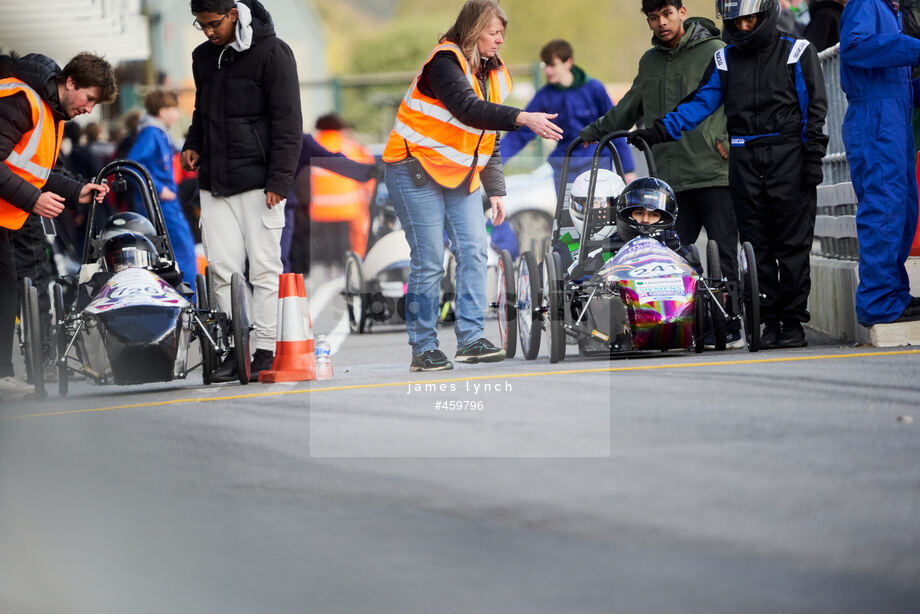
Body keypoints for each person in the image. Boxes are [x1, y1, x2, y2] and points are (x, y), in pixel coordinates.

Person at [630, 0, 828, 349]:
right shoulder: (725, 60)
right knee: (756, 246)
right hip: (744, 158)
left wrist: (813, 156)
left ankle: (793, 323)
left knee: (793, 246)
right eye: (736, 22)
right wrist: (656, 131)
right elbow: (698, 105)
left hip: (790, 158)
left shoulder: (797, 51)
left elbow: (814, 108)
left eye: (750, 19)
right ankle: (768, 322)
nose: (743, 28)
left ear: (765, 14)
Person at [382, 0, 563, 371]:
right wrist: (523, 117)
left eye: (502, 34)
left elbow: (488, 137)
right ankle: (424, 347)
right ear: (473, 29)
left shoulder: (494, 74)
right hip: (413, 167)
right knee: (430, 259)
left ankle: (470, 339)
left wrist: (495, 188)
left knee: (474, 251)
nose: (499, 40)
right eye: (493, 32)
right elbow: (468, 109)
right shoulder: (444, 64)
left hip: (458, 174)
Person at [580, 0, 741, 346]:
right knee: (664, 260)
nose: (661, 23)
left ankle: (729, 324)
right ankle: (672, 324)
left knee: (723, 253)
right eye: (653, 18)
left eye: (666, 14)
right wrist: (594, 131)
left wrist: (726, 139)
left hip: (713, 171)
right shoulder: (649, 62)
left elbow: (735, 100)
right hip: (667, 180)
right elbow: (628, 106)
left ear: (682, 12)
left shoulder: (716, 51)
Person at [181, 0, 303, 383]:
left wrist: (280, 181)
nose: (208, 32)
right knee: (221, 270)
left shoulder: (274, 52)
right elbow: (202, 110)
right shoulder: (203, 56)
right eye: (201, 25)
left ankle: (265, 349)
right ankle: (236, 349)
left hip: (261, 184)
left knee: (265, 268)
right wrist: (193, 142)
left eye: (213, 24)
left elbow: (288, 122)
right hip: (214, 182)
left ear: (233, 13)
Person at [0, 51, 115, 399]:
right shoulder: (23, 100)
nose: (89, 109)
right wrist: (33, 199)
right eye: (89, 98)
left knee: (5, 287)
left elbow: (36, 170)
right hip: (11, 210)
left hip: (8, 213)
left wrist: (78, 189)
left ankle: (2, 376)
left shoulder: (52, 114)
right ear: (70, 83)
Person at [840, 0, 920, 325]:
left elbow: (895, 84)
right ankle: (878, 301)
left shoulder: (892, 11)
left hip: (893, 118)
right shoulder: (866, 3)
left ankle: (894, 294)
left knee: (902, 210)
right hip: (876, 120)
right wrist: (915, 48)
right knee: (884, 208)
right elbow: (855, 47)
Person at [499, 39, 636, 193]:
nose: (548, 71)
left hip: (597, 164)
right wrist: (496, 163)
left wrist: (628, 169)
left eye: (553, 65)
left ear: (568, 63)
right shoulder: (544, 96)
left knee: (596, 214)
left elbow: (614, 127)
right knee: (567, 214)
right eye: (545, 65)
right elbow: (521, 135)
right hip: (565, 167)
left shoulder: (594, 89)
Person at [127, 89, 198, 299]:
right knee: (183, 250)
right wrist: (158, 188)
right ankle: (190, 301)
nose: (176, 114)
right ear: (162, 110)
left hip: (163, 204)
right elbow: (134, 164)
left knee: (175, 251)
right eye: (172, 108)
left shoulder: (157, 133)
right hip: (161, 204)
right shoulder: (151, 133)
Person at [282, 133, 377, 275]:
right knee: (277, 262)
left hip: (315, 207)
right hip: (339, 207)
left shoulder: (305, 140)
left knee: (273, 263)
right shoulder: (299, 139)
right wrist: (371, 171)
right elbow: (334, 161)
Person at [311, 113, 376, 261]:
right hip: (347, 209)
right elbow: (369, 173)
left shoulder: (312, 145)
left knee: (325, 250)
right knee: (345, 249)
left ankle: (328, 268)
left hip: (319, 210)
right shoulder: (351, 147)